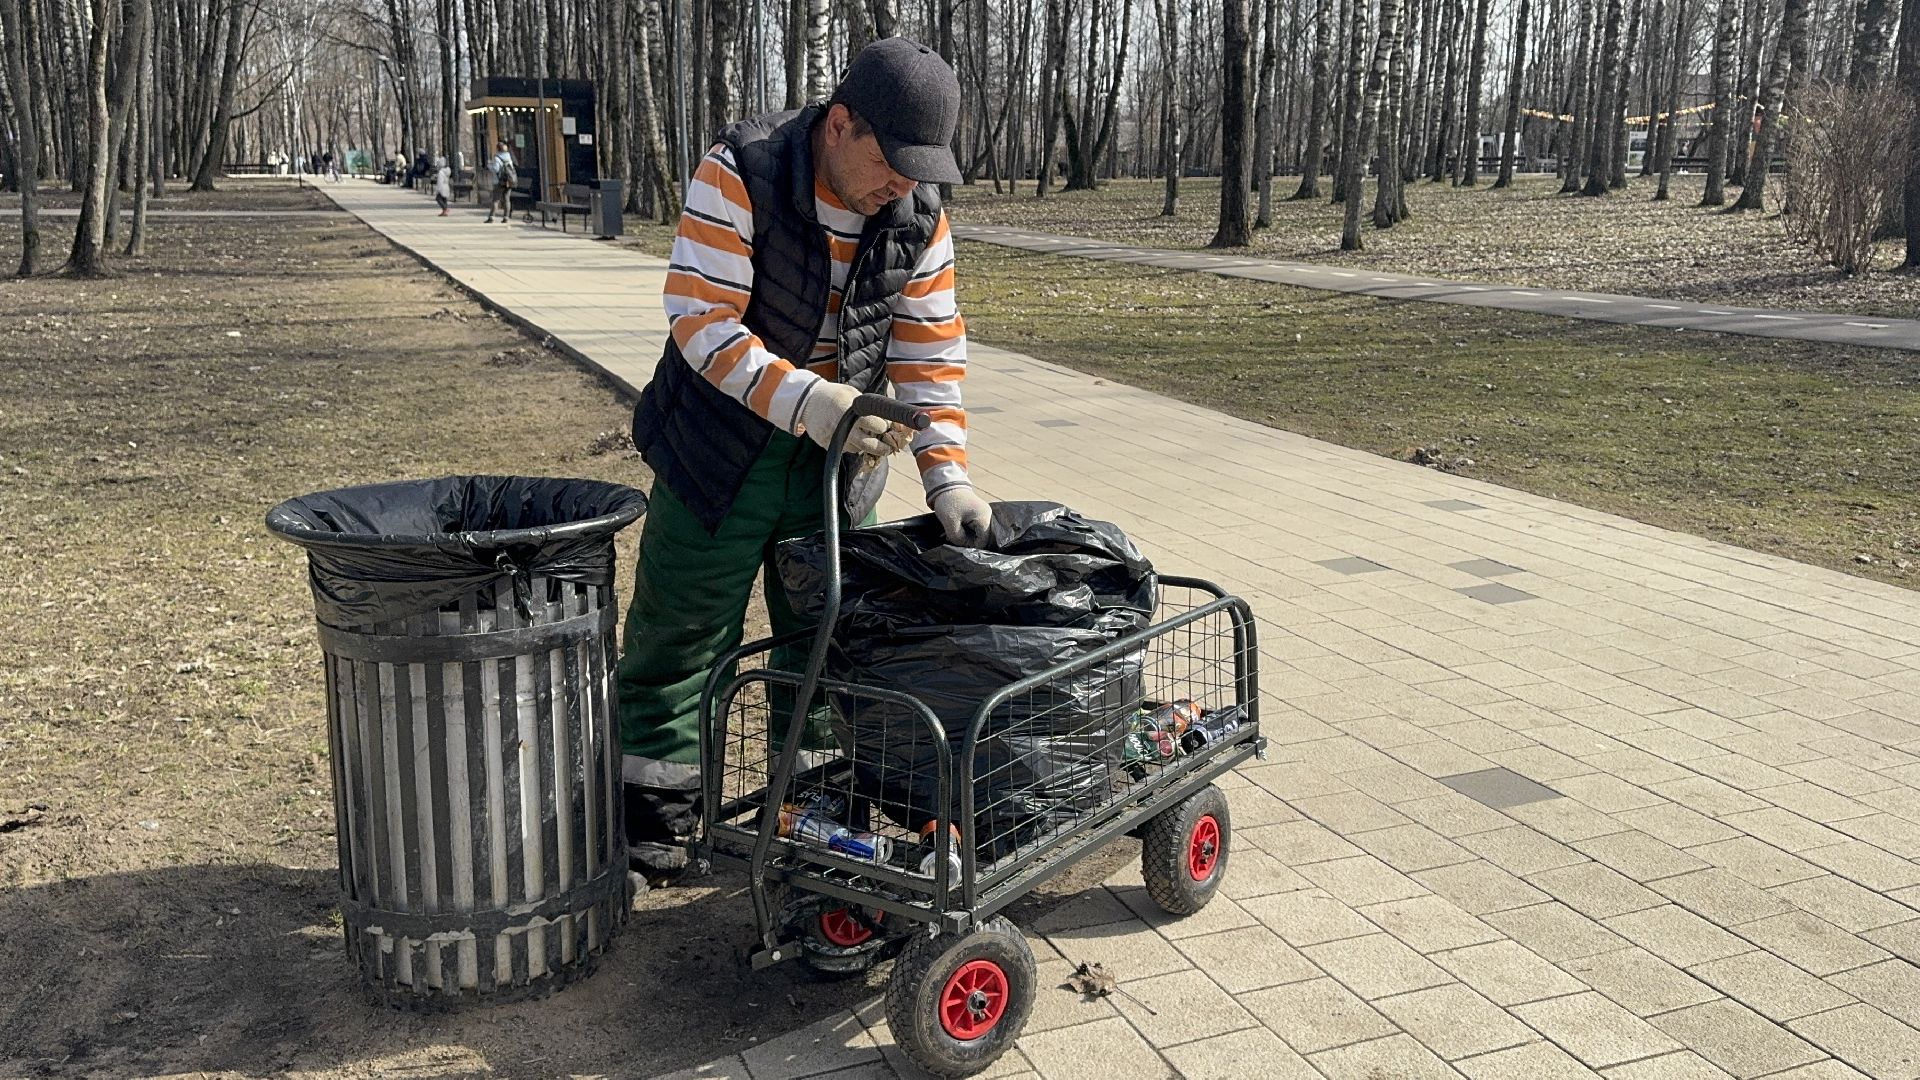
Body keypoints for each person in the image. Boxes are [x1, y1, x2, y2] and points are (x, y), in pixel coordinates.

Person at [617, 37, 990, 880]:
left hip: (836, 470)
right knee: (682, 633)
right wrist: (812, 402)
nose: (905, 184)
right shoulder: (740, 170)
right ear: (840, 122)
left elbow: (929, 355)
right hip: (717, 450)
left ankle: (814, 817)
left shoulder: (919, 215)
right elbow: (702, 322)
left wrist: (948, 475)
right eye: (893, 161)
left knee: (823, 642)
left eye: (921, 169)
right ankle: (654, 821)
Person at [484, 142, 516, 224]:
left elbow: (496, 169)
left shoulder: (497, 157)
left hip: (499, 181)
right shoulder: (509, 157)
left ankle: (491, 217)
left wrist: (489, 165)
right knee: (507, 199)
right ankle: (506, 217)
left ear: (497, 149)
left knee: (496, 200)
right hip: (509, 181)